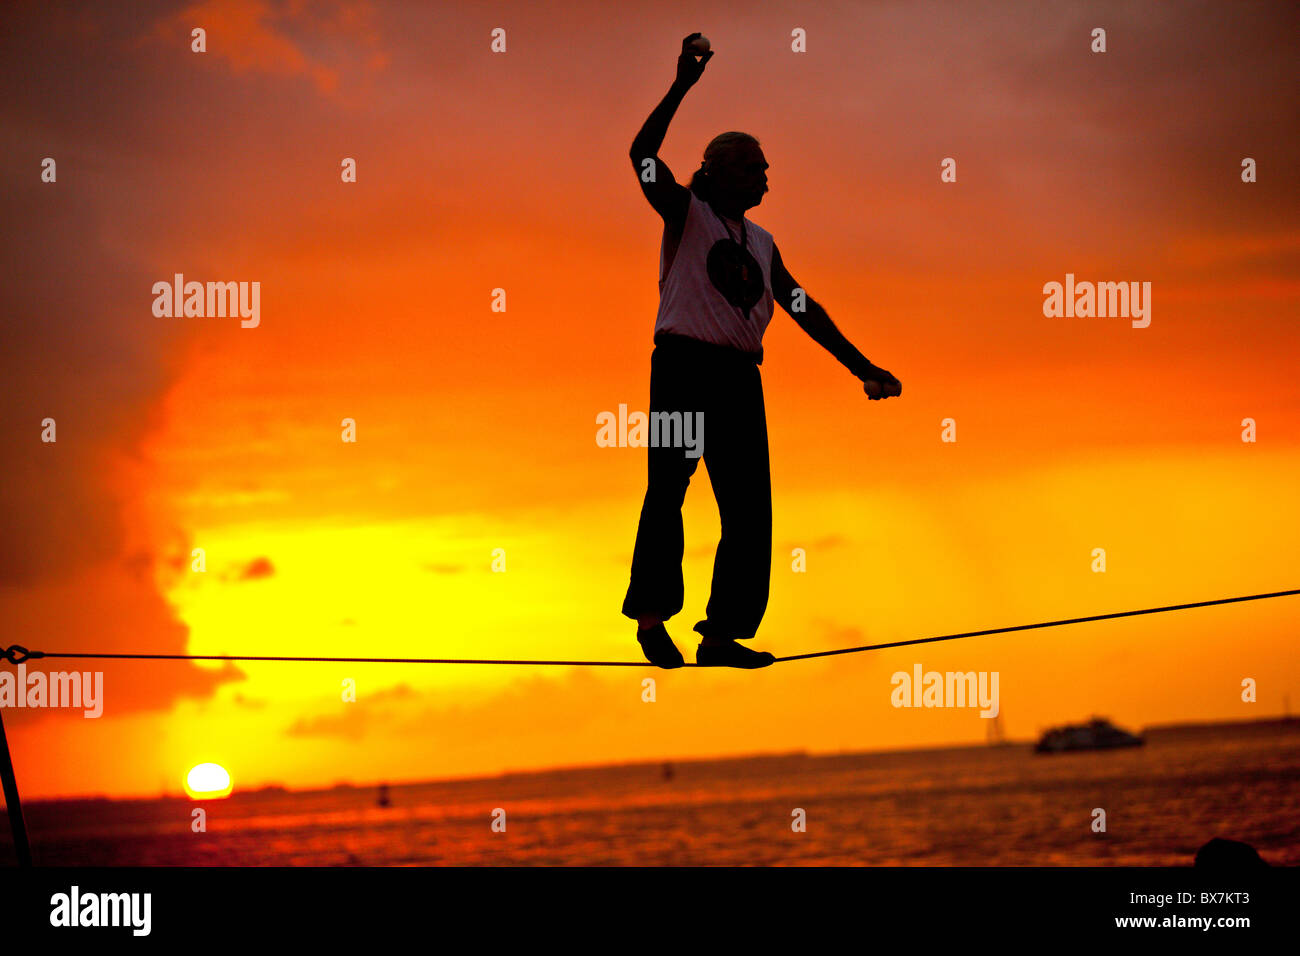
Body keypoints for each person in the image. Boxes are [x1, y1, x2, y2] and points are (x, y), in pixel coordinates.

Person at [623, 34, 902, 670]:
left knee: (749, 507)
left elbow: (803, 308)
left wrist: (864, 369)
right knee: (669, 489)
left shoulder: (764, 242)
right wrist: (683, 85)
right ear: (715, 172)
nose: (765, 176)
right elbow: (642, 155)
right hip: (683, 368)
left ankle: (721, 635)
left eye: (766, 167)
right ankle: (650, 618)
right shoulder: (685, 212)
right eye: (752, 167)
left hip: (739, 381)